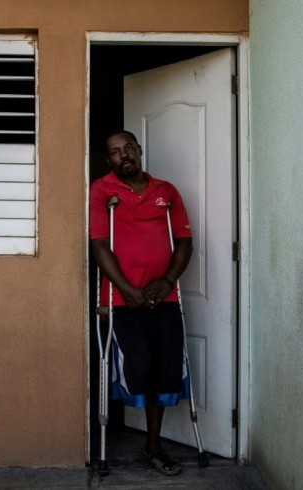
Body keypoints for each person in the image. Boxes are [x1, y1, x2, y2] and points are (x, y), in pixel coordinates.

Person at [90, 129, 193, 476]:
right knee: (138, 364)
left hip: (163, 297)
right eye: (116, 152)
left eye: (129, 148)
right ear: (110, 160)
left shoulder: (166, 192)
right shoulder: (102, 191)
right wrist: (128, 289)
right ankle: (116, 438)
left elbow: (184, 242)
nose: (124, 156)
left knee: (165, 367)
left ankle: (154, 444)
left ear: (139, 149)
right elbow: (100, 245)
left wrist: (166, 282)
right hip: (122, 300)